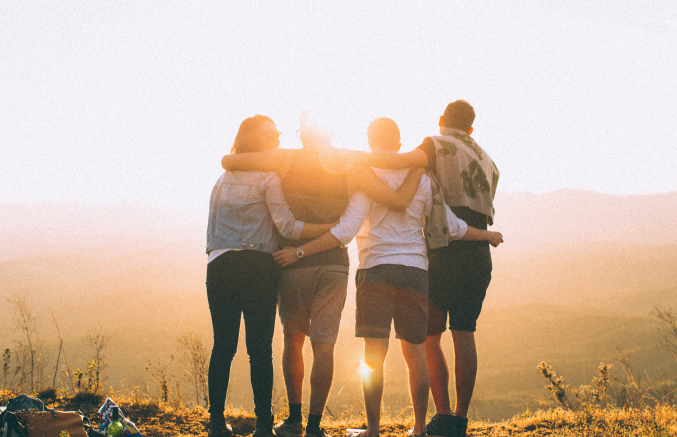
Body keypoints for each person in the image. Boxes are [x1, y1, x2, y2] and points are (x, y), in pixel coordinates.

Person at [273, 118, 503, 437]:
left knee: (374, 354)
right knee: (415, 352)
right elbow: (450, 226)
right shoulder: (421, 177)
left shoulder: (366, 177)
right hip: (414, 272)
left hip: (375, 272)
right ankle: (420, 428)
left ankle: (374, 430)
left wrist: (301, 251)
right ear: (398, 144)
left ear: (370, 141)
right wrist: (485, 236)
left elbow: (345, 231)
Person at [221, 112, 422, 437]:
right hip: (334, 265)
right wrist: (418, 166)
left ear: (303, 135)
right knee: (324, 346)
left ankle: (295, 421)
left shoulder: (285, 159)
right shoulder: (351, 164)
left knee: (293, 340)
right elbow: (395, 200)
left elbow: (230, 160)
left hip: (293, 262)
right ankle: (315, 426)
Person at [353, 101, 499, 437]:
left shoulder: (435, 145)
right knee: (465, 333)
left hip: (444, 249)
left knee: (428, 338)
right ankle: (459, 420)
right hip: (477, 252)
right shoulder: (487, 159)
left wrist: (351, 157)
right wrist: (487, 235)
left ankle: (442, 417)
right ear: (472, 128)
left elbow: (400, 161)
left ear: (441, 120)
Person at [206, 115, 335, 437]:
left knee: (222, 346)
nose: (277, 138)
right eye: (270, 134)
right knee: (259, 349)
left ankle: (217, 423)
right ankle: (264, 424)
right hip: (258, 267)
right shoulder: (268, 178)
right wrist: (333, 230)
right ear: (253, 140)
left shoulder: (222, 179)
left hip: (220, 265)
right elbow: (288, 228)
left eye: (277, 132)